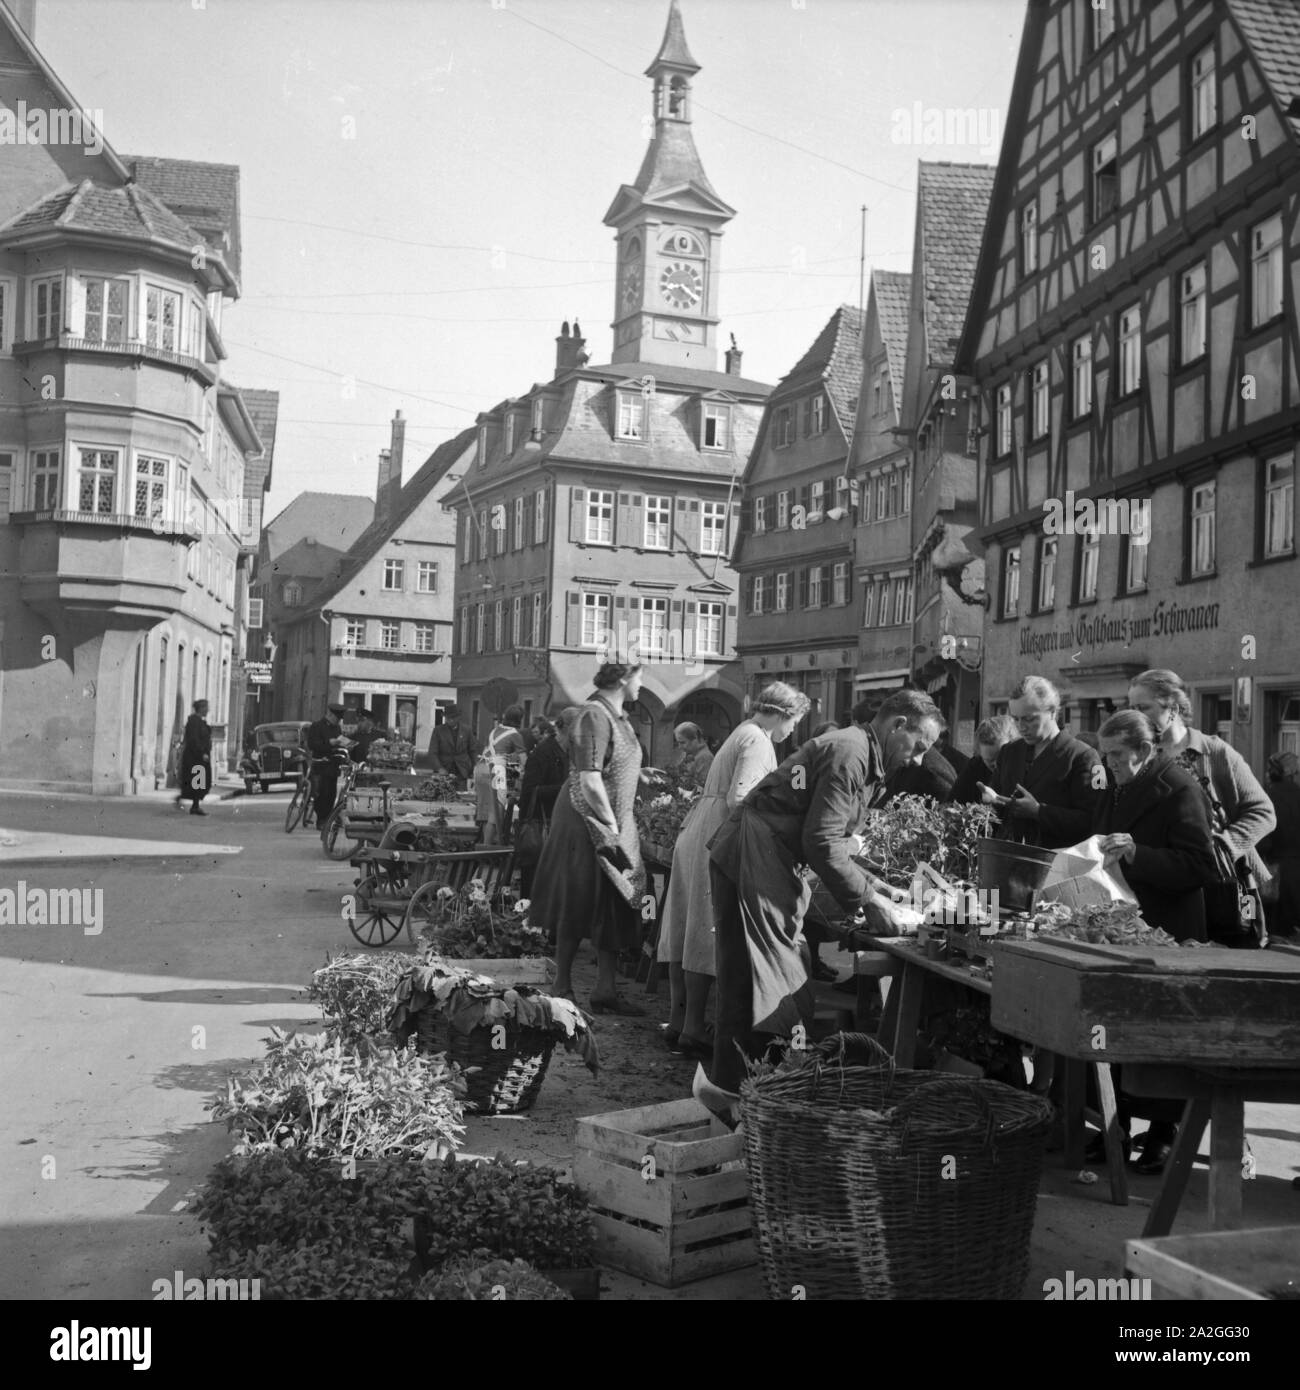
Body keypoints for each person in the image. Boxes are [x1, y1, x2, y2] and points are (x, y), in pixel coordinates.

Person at [698, 689, 944, 1116]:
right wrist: (869, 901)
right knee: (777, 979)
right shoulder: (850, 753)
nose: (920, 759)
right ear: (898, 724)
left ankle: (735, 1095)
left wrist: (877, 888)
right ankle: (767, 1098)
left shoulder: (858, 751)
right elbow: (821, 841)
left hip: (756, 853)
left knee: (749, 976)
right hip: (755, 854)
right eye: (918, 746)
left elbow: (825, 837)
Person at [1092, 709, 1220, 1174]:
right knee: (1120, 1034)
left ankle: (1165, 1137)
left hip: (1168, 929)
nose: (1108, 765)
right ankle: (1116, 1131)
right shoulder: (1118, 783)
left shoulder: (1179, 786)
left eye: (1116, 756)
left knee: (1162, 1038)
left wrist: (1138, 855)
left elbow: (1199, 866)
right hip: (1125, 926)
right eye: (1105, 756)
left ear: (1144, 751)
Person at [658, 682, 811, 1060]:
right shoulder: (758, 740)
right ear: (783, 714)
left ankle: (680, 1021)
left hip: (700, 829)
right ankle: (693, 1028)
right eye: (794, 723)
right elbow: (740, 799)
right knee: (704, 933)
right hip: (719, 834)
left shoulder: (742, 732)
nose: (792, 732)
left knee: (685, 926)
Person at [530, 662, 649, 1013]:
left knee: (615, 899)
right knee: (578, 896)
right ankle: (562, 986)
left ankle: (605, 990)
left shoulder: (618, 716)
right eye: (639, 677)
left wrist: (639, 777)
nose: (642, 684)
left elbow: (612, 763)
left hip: (610, 818)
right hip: (587, 820)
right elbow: (589, 778)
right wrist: (611, 825)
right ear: (625, 678)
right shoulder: (593, 715)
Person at [1127, 669, 1276, 947]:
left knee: (1242, 950)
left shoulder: (1214, 751)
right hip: (1166, 882)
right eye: (1131, 707)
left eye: (1142, 707)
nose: (1135, 715)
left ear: (1172, 705)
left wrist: (1226, 845)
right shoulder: (1139, 758)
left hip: (1226, 884)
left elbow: (1263, 812)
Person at [980, 675, 1103, 848]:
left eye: (1029, 719)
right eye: (1016, 719)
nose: (1021, 727)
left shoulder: (1086, 756)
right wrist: (992, 802)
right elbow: (997, 807)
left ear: (1052, 712)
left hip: (1057, 862)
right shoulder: (1009, 751)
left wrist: (1039, 812)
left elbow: (1094, 819)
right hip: (1009, 857)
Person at [516, 708, 578, 899]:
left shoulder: (567, 752)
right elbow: (530, 792)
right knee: (534, 887)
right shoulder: (543, 753)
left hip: (557, 828)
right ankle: (528, 920)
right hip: (539, 827)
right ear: (567, 729)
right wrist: (566, 787)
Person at [1261, 752, 1300, 940]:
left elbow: (1262, 838)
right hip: (1295, 868)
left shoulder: (1266, 797)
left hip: (1276, 871)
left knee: (1276, 926)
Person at [474, 705, 526, 845]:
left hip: (480, 768)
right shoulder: (515, 734)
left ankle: (484, 845)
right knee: (496, 811)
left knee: (485, 811)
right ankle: (489, 850)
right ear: (519, 720)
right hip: (496, 769)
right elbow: (524, 761)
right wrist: (522, 776)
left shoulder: (494, 730)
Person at [951, 715, 1017, 804]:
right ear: (980, 754)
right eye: (990, 761)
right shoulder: (975, 767)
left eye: (1001, 758)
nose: (997, 765)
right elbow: (952, 802)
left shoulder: (1023, 768)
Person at [306, 703, 352, 826]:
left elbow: (338, 743)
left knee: (331, 793)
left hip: (333, 765)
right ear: (330, 715)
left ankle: (327, 818)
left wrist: (344, 745)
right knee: (322, 793)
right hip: (321, 764)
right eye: (337, 719)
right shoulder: (316, 726)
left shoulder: (337, 728)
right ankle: (321, 819)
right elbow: (312, 744)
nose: (338, 722)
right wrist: (329, 743)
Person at [177, 700, 212, 815]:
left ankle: (193, 804)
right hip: (195, 757)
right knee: (198, 782)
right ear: (201, 708)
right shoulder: (194, 721)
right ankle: (194, 806)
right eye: (206, 707)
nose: (208, 710)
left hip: (199, 758)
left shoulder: (199, 721)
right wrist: (202, 753)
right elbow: (194, 740)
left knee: (199, 782)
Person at [427, 707, 478, 782]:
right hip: (444, 772)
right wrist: (439, 768)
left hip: (463, 771)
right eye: (448, 718)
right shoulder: (438, 731)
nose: (450, 720)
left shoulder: (467, 730)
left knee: (462, 793)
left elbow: (473, 751)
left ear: (458, 717)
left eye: (453, 717)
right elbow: (432, 752)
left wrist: (475, 769)